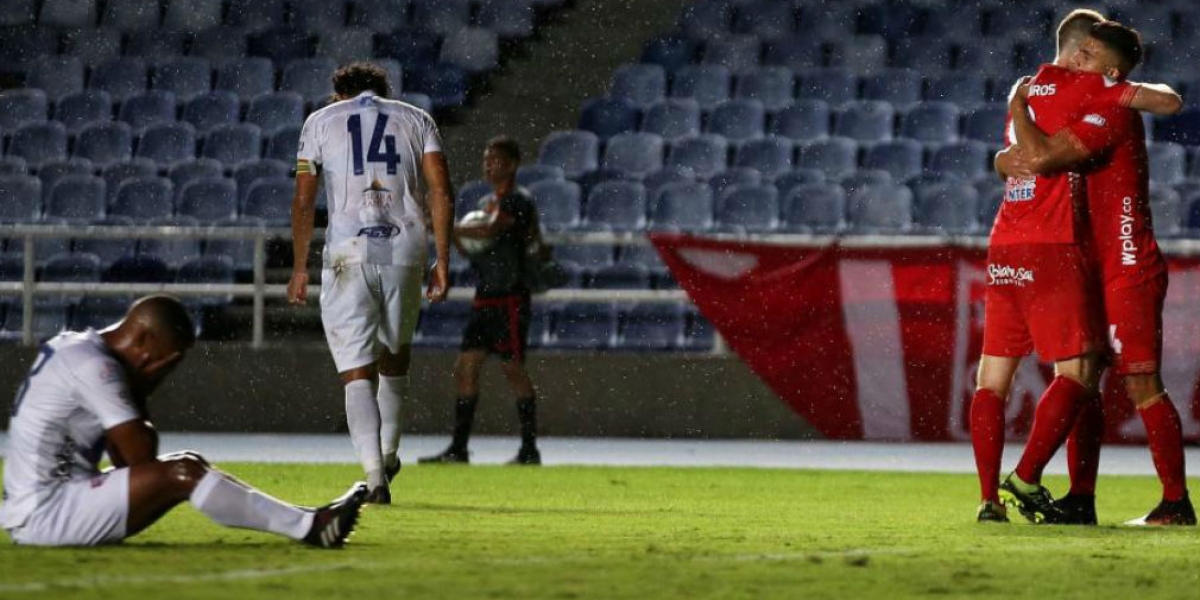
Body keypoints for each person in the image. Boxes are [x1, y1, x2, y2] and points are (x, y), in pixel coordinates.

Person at [969, 9, 1182, 524]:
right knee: (1084, 379)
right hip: (1083, 257)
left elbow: (1041, 157)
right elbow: (1021, 157)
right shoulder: (1072, 95)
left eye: (1100, 65)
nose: (1086, 67)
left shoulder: (1107, 103)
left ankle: (1175, 503)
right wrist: (1002, 157)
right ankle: (1080, 498)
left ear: (1107, 69)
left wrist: (1016, 111)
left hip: (1124, 260)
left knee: (1138, 380)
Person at [0, 295, 367, 548]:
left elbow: (128, 463)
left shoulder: (75, 347)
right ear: (143, 340)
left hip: (45, 501)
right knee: (182, 474)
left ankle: (307, 519)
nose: (167, 373)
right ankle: (311, 528)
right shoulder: (97, 368)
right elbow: (141, 459)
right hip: (47, 514)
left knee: (188, 464)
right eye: (168, 363)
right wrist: (139, 390)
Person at [289, 62, 454, 504]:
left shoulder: (320, 122)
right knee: (395, 353)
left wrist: (300, 266)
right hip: (404, 247)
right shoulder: (417, 119)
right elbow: (441, 190)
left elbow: (304, 200)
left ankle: (375, 475)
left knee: (356, 368)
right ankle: (390, 450)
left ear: (339, 92)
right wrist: (443, 259)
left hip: (348, 251)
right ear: (383, 90)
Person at [419, 136, 545, 466]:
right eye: (487, 160)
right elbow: (473, 248)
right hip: (485, 298)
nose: (490, 166)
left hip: (510, 298)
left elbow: (489, 232)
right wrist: (456, 236)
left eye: (497, 160)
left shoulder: (517, 200)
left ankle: (529, 449)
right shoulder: (487, 203)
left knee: (513, 370)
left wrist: (450, 227)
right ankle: (458, 448)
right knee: (465, 368)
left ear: (513, 165)